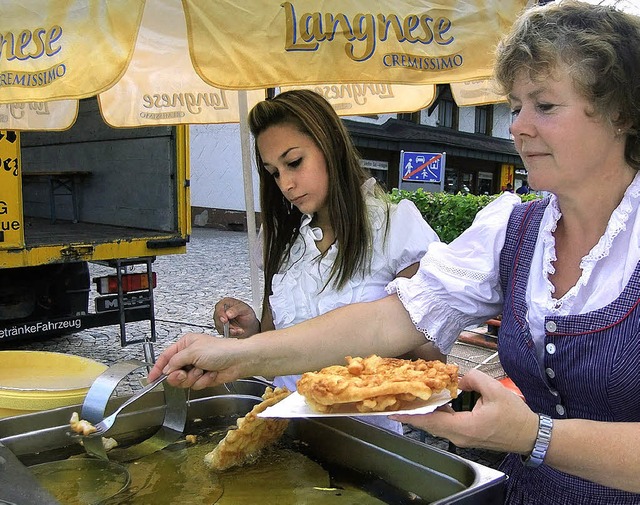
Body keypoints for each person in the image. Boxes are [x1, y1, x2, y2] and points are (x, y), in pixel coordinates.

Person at [149, 2, 640, 502]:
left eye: (545, 105)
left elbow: (416, 350)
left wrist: (533, 435)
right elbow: (388, 320)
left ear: (621, 110)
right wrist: (237, 356)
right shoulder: (513, 230)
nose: (518, 127)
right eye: (515, 107)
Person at [211, 89, 442, 433]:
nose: (286, 184)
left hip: (370, 440)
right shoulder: (284, 239)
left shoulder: (396, 230)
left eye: (294, 162)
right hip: (290, 433)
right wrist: (251, 330)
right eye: (273, 172)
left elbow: (431, 361)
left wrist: (348, 363)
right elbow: (275, 357)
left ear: (329, 146)